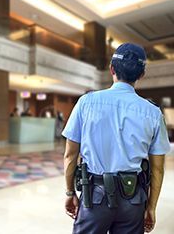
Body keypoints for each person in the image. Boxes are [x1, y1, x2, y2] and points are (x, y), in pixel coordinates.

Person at [62, 43, 170, 234]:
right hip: (133, 199)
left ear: (112, 69)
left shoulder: (86, 103)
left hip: (93, 197)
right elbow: (157, 169)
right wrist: (151, 207)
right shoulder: (153, 113)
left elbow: (70, 155)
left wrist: (70, 192)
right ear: (141, 75)